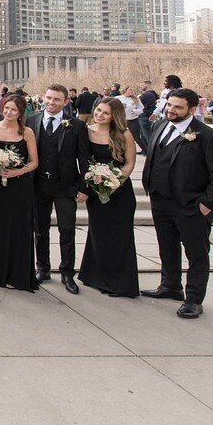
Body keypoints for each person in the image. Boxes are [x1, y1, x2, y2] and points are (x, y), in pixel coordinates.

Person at [141, 88, 213, 318]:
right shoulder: (160, 126)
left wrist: (206, 204)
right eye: (169, 105)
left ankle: (194, 299)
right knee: (167, 246)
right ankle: (170, 285)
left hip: (191, 205)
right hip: (160, 199)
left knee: (196, 253)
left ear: (192, 110)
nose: (171, 110)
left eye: (178, 107)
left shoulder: (209, 136)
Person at [26, 84, 90, 294]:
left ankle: (67, 272)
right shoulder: (32, 120)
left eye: (56, 99)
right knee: (40, 230)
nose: (51, 103)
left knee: (67, 230)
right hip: (38, 186)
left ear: (65, 102)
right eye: (48, 98)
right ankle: (42, 267)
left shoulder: (76, 125)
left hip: (65, 186)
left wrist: (83, 187)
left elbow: (84, 159)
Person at [79, 98, 139, 298]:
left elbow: (130, 163)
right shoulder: (87, 130)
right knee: (98, 234)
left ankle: (119, 282)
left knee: (119, 237)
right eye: (98, 110)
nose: (99, 115)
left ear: (115, 116)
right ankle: (95, 276)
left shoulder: (124, 134)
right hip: (97, 191)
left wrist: (115, 183)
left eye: (105, 113)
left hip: (119, 192)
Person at [0, 94, 39, 291]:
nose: (9, 112)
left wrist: (17, 171)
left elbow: (34, 162)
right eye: (6, 108)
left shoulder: (27, 132)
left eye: (14, 110)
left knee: (18, 228)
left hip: (19, 186)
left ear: (20, 112)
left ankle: (16, 275)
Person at [117, 86, 145, 151]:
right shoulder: (118, 98)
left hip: (133, 120)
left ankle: (146, 151)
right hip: (122, 120)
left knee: (136, 137)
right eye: (130, 89)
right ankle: (120, 150)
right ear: (125, 90)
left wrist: (136, 111)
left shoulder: (135, 99)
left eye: (133, 90)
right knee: (120, 136)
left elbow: (141, 109)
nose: (132, 91)